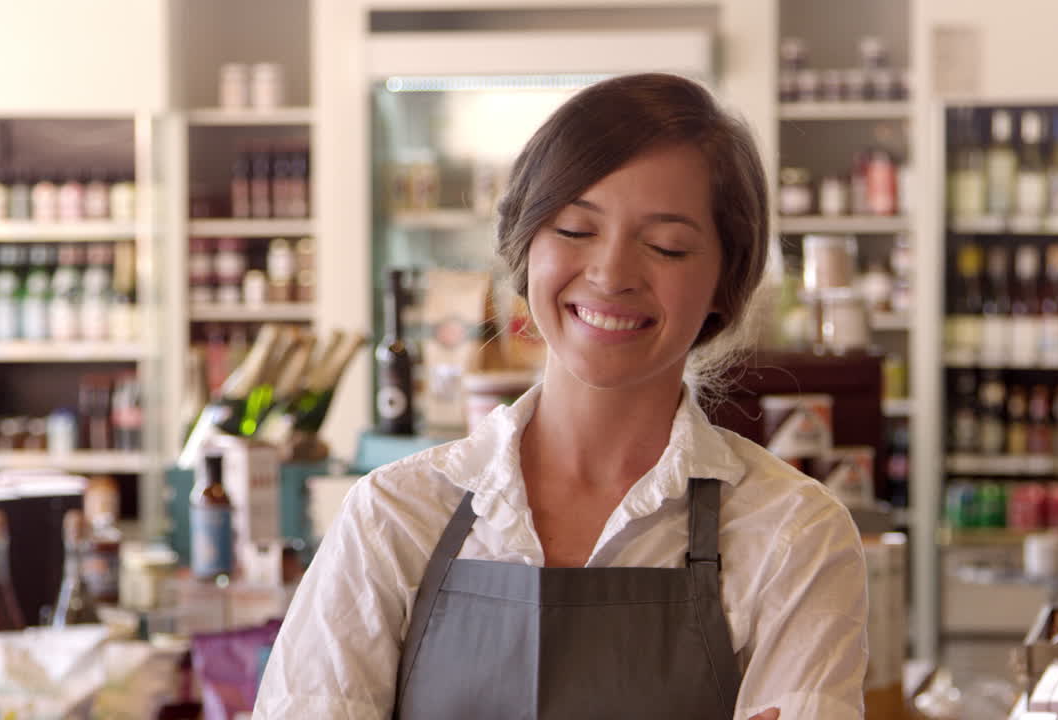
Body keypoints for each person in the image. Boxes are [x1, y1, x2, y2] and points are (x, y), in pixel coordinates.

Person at [253, 73, 867, 719]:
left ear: (724, 281)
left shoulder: (791, 535)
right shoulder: (395, 517)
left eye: (667, 246)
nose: (610, 273)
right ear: (525, 246)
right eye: (575, 230)